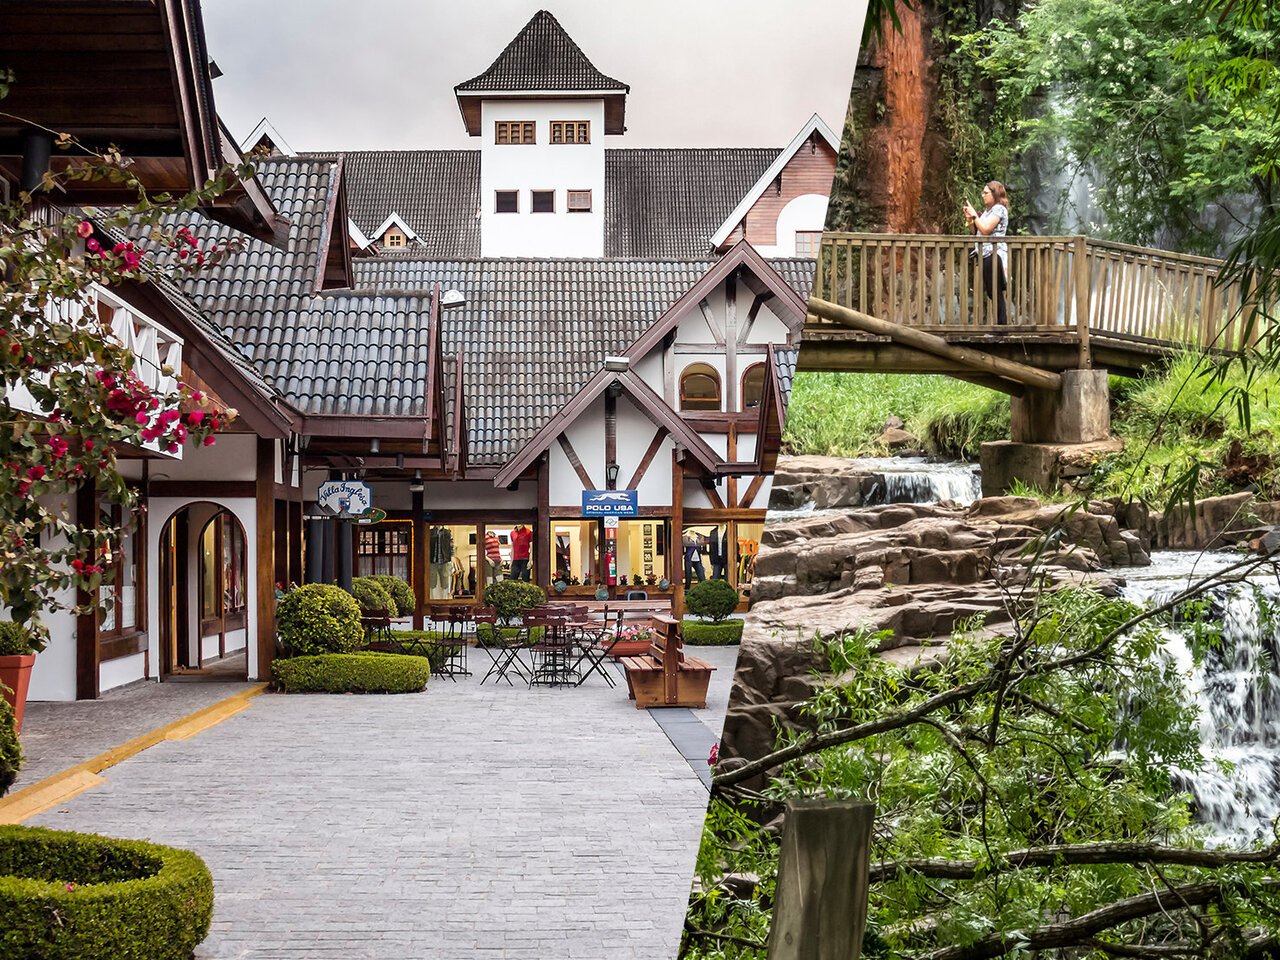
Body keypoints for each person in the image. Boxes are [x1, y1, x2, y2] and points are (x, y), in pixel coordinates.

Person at [964, 181, 1009, 327]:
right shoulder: (987, 212)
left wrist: (975, 216)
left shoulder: (999, 209)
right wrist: (970, 219)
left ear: (994, 193)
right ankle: (1000, 326)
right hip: (985, 254)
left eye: (986, 193)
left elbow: (986, 229)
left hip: (994, 254)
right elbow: (976, 232)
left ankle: (1002, 327)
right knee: (991, 291)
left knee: (995, 291)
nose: (983, 195)